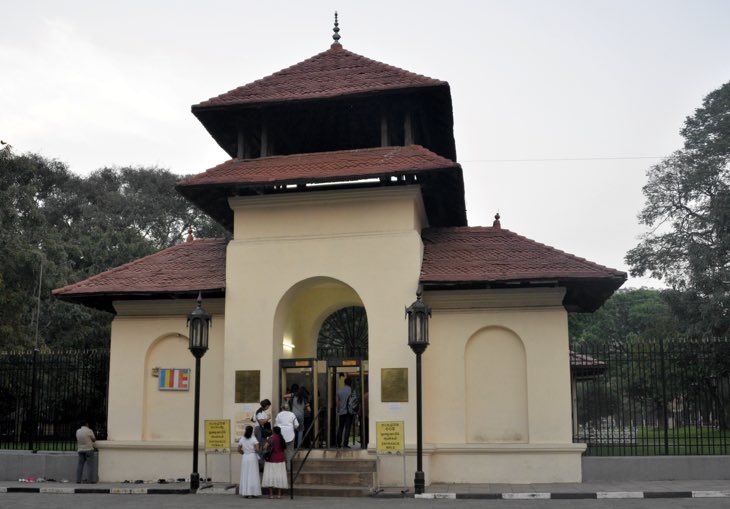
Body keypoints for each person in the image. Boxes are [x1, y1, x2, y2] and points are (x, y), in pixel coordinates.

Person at [261, 426, 288, 499]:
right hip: (281, 459)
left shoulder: (270, 438)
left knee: (270, 476)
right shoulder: (282, 439)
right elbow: (284, 449)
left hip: (271, 459)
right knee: (279, 476)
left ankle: (271, 494)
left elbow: (265, 447)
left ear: (273, 431)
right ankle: (279, 494)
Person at [237, 425, 262, 498]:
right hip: (252, 457)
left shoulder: (242, 439)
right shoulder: (254, 439)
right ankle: (252, 492)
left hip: (245, 457)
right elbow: (257, 449)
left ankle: (246, 492)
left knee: (245, 474)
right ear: (252, 431)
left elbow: (238, 449)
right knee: (253, 475)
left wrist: (244, 453)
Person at [252, 399, 272, 469]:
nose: (269, 407)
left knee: (262, 445)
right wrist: (268, 418)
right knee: (260, 445)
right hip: (259, 430)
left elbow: (253, 419)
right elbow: (261, 422)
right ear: (266, 405)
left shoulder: (260, 411)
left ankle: (261, 463)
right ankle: (260, 464)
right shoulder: (259, 412)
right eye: (268, 406)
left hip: (259, 430)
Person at [335, 377, 354, 448]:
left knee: (340, 427)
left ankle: (338, 443)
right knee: (347, 428)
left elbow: (337, 402)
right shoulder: (352, 391)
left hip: (342, 412)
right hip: (350, 412)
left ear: (344, 383)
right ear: (350, 383)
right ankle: (345, 444)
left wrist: (338, 410)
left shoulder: (339, 391)